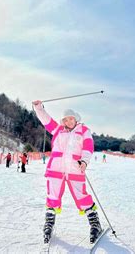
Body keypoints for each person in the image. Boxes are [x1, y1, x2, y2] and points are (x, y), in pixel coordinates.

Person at [32, 101, 103, 244]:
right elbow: (46, 119)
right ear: (62, 121)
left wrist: (84, 161)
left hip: (75, 169)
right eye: (65, 119)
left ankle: (95, 224)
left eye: (71, 118)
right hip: (56, 169)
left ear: (76, 119)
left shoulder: (84, 130)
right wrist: (38, 108)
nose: (68, 121)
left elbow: (88, 147)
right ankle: (49, 224)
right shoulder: (58, 129)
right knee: (52, 196)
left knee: (82, 196)